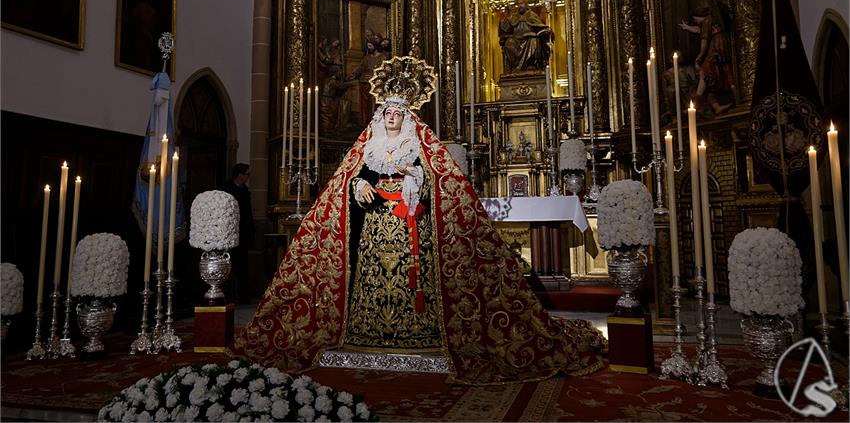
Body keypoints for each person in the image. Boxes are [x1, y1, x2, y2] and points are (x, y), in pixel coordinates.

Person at [233, 56, 605, 384]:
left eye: (398, 113)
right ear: (380, 115)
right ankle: (369, 330)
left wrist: (414, 178)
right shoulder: (368, 145)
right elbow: (351, 177)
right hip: (376, 226)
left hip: (414, 227)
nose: (392, 117)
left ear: (407, 116)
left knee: (418, 279)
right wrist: (360, 183)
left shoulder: (421, 143)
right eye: (387, 112)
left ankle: (426, 333)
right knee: (372, 279)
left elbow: (441, 182)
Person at [679, 0, 735, 115]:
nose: (695, 21)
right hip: (721, 46)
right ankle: (716, 105)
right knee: (721, 74)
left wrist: (699, 57)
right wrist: (687, 27)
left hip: (715, 47)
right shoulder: (711, 21)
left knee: (706, 72)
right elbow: (699, 30)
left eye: (695, 19)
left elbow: (704, 42)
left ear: (699, 15)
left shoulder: (707, 22)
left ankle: (695, 103)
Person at [498, 0, 552, 73]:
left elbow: (540, 27)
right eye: (519, 3)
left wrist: (545, 31)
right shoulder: (514, 16)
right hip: (516, 41)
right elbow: (506, 30)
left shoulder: (532, 15)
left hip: (530, 39)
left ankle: (531, 65)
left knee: (534, 40)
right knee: (509, 43)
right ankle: (515, 68)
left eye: (522, 2)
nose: (521, 5)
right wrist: (506, 18)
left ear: (526, 3)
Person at [222, 163, 255, 303]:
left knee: (243, 265)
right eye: (247, 174)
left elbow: (248, 213)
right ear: (240, 175)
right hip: (230, 232)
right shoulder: (227, 189)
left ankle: (242, 294)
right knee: (229, 264)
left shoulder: (245, 190)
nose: (248, 177)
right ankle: (227, 293)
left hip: (243, 233)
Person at [347, 37, 387, 127]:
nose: (369, 48)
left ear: (375, 46)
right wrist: (353, 74)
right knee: (364, 104)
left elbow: (384, 70)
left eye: (370, 46)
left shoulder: (382, 57)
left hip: (376, 83)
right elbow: (360, 68)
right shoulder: (367, 57)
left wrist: (375, 76)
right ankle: (364, 121)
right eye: (368, 46)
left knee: (374, 103)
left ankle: (374, 122)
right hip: (364, 82)